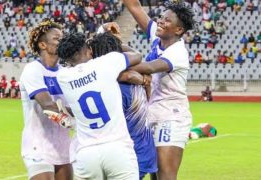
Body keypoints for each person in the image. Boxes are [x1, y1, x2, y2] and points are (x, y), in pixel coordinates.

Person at [123, 1, 195, 179]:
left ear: (178, 30)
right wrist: (116, 43)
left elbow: (148, 67)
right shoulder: (158, 39)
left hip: (171, 116)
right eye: (161, 17)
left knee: (165, 174)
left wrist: (116, 65)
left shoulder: (177, 52)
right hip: (152, 113)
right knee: (154, 174)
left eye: (167, 20)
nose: (161, 21)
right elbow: (135, 7)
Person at [56, 32, 142, 179]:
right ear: (89, 50)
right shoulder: (108, 62)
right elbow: (137, 55)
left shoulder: (62, 77)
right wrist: (117, 43)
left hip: (86, 154)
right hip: (117, 148)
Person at [89, 31, 158, 180]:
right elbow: (135, 54)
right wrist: (117, 44)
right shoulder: (135, 76)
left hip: (128, 154)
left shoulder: (113, 87)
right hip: (144, 148)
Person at [19, 19, 72, 180]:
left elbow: (73, 105)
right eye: (56, 38)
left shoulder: (65, 72)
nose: (61, 41)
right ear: (42, 45)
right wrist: (76, 118)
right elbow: (47, 105)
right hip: (38, 145)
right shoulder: (33, 70)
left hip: (63, 145)